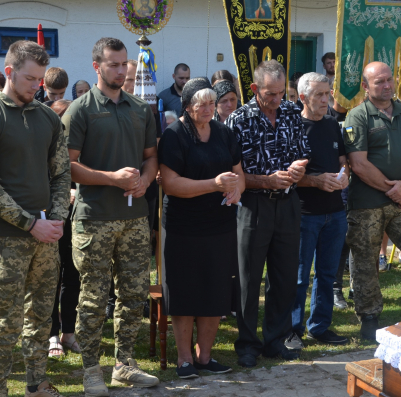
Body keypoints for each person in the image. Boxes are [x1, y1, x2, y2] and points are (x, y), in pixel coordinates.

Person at [0, 39, 70, 397]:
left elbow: (61, 174)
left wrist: (55, 220)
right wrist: (31, 223)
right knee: (5, 320)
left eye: (40, 79)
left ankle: (36, 383)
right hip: (8, 238)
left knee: (41, 316)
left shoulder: (46, 118)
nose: (36, 86)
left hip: (47, 236)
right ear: (9, 72)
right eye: (30, 78)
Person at [64, 37, 159, 396]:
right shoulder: (81, 110)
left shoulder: (139, 109)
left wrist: (146, 179)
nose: (121, 71)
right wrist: (112, 178)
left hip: (135, 218)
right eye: (114, 65)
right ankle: (91, 369)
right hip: (94, 219)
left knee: (134, 294)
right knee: (92, 297)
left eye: (124, 65)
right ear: (97, 67)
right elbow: (68, 167)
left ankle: (124, 364)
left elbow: (151, 156)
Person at [225, 60, 309, 368]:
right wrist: (267, 180)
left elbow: (302, 150)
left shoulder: (290, 112)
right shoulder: (238, 119)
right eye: (270, 94)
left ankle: (277, 338)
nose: (276, 100)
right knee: (248, 278)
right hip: (252, 204)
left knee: (285, 276)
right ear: (254, 88)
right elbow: (233, 172)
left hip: (287, 203)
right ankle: (247, 343)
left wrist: (299, 169)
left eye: (280, 93)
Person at [159, 78, 244, 378]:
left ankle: (205, 358)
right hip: (184, 227)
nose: (208, 109)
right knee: (185, 293)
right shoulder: (174, 135)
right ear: (186, 107)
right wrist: (215, 185)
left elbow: (238, 172)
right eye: (201, 105)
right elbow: (170, 184)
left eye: (212, 103)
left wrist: (236, 190)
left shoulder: (223, 132)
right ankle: (185, 360)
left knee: (215, 291)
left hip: (220, 225)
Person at [344, 61, 401, 340]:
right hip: (367, 204)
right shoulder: (358, 116)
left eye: (389, 80)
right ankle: (369, 317)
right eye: (379, 81)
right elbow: (358, 163)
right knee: (366, 261)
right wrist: (392, 189)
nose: (386, 86)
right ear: (365, 86)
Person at [289, 73, 349, 348]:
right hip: (304, 213)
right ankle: (292, 329)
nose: (326, 100)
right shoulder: (293, 127)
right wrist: (315, 180)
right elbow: (283, 173)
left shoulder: (331, 124)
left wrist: (345, 174)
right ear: (303, 98)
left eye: (328, 94)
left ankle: (320, 326)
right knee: (300, 275)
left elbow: (342, 159)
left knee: (327, 274)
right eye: (319, 96)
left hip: (335, 212)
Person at [47, 99, 81, 359]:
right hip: (48, 218)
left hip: (75, 219)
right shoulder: (43, 144)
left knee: (72, 275)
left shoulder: (79, 144)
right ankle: (51, 334)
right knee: (51, 278)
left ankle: (68, 331)